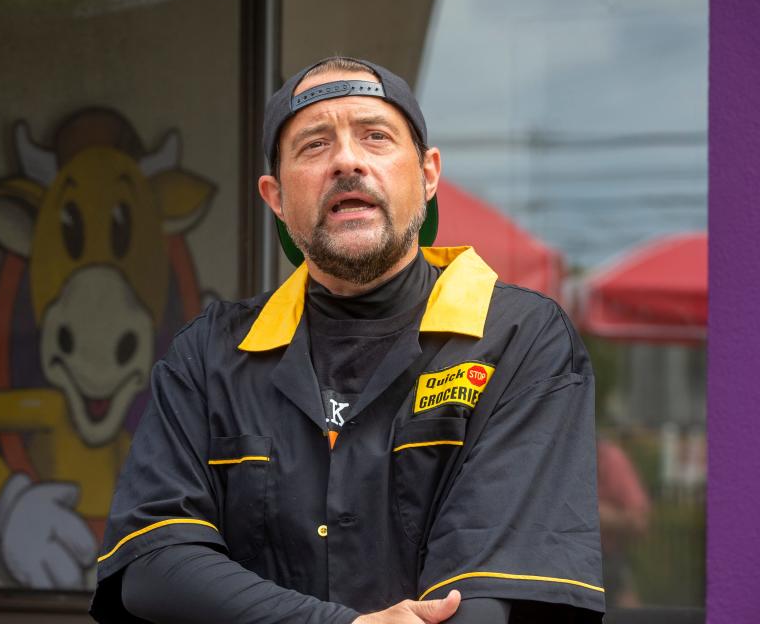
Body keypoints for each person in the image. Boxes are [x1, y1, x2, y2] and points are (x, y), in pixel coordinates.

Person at [89, 56, 604, 623]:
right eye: (313, 146)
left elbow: (485, 604)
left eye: (375, 136)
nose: (347, 161)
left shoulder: (515, 339)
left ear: (429, 175)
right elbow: (154, 565)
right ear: (276, 197)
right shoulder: (209, 354)